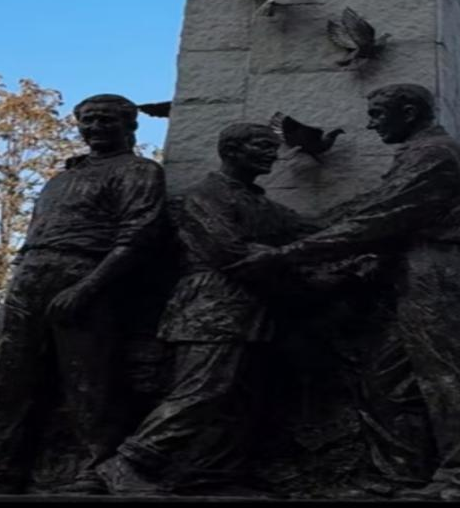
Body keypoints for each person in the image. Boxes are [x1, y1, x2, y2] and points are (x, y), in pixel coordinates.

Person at [229, 84, 460, 501]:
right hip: (411, 273)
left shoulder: (434, 154)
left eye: (378, 114)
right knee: (388, 380)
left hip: (432, 271)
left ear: (409, 111)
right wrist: (309, 229)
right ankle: (400, 474)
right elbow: (373, 205)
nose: (370, 124)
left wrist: (289, 252)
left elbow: (380, 217)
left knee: (447, 378)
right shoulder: (418, 154)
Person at [0, 93, 166, 495]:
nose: (95, 127)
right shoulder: (59, 180)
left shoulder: (140, 171)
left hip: (85, 272)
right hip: (30, 278)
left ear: (130, 125)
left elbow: (138, 236)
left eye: (106, 119)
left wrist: (88, 287)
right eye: (87, 120)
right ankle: (1, 465)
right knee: (11, 377)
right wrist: (8, 304)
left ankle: (98, 466)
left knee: (89, 377)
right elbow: (32, 240)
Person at [98, 121, 315, 495]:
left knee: (240, 398)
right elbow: (230, 252)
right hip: (209, 307)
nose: (273, 153)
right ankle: (128, 461)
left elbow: (310, 230)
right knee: (203, 389)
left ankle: (212, 473)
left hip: (252, 310)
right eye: (262, 145)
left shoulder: (262, 204)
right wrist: (289, 263)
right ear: (231, 150)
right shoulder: (205, 195)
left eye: (273, 146)